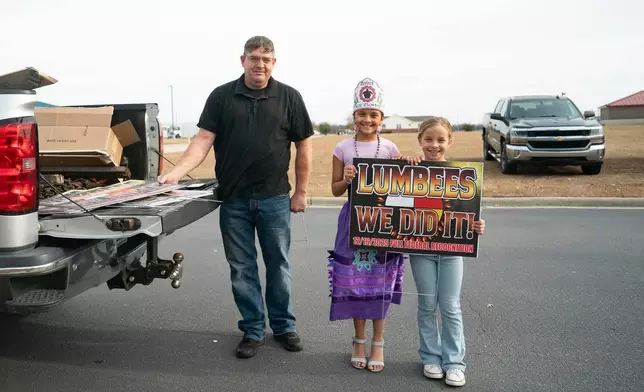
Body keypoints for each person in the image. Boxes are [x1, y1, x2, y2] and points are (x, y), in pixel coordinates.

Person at [159, 35, 314, 359]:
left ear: (274, 63)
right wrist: (176, 172)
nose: (260, 64)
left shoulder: (289, 98)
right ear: (242, 60)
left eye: (266, 59)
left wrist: (301, 192)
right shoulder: (221, 97)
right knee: (242, 269)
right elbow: (203, 140)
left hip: (274, 199)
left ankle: (284, 326)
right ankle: (253, 330)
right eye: (254, 58)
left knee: (278, 266)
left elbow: (304, 147)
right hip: (233, 200)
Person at [398, 116, 486, 387]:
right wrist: (403, 163)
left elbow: (468, 212)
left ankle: (455, 363)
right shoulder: (410, 170)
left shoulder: (462, 175)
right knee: (426, 305)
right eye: (428, 139)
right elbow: (391, 199)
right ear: (420, 141)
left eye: (440, 140)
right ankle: (430, 358)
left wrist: (477, 225)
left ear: (449, 141)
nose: (434, 145)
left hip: (451, 250)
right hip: (421, 250)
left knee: (450, 306)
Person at [327, 77, 406, 373]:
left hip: (384, 223)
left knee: (380, 281)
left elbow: (402, 190)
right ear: (354, 116)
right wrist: (346, 178)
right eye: (362, 114)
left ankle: (379, 342)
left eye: (373, 114)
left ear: (381, 118)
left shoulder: (390, 147)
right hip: (353, 222)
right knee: (356, 281)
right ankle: (358, 340)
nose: (368, 120)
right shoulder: (342, 147)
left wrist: (405, 166)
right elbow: (334, 190)